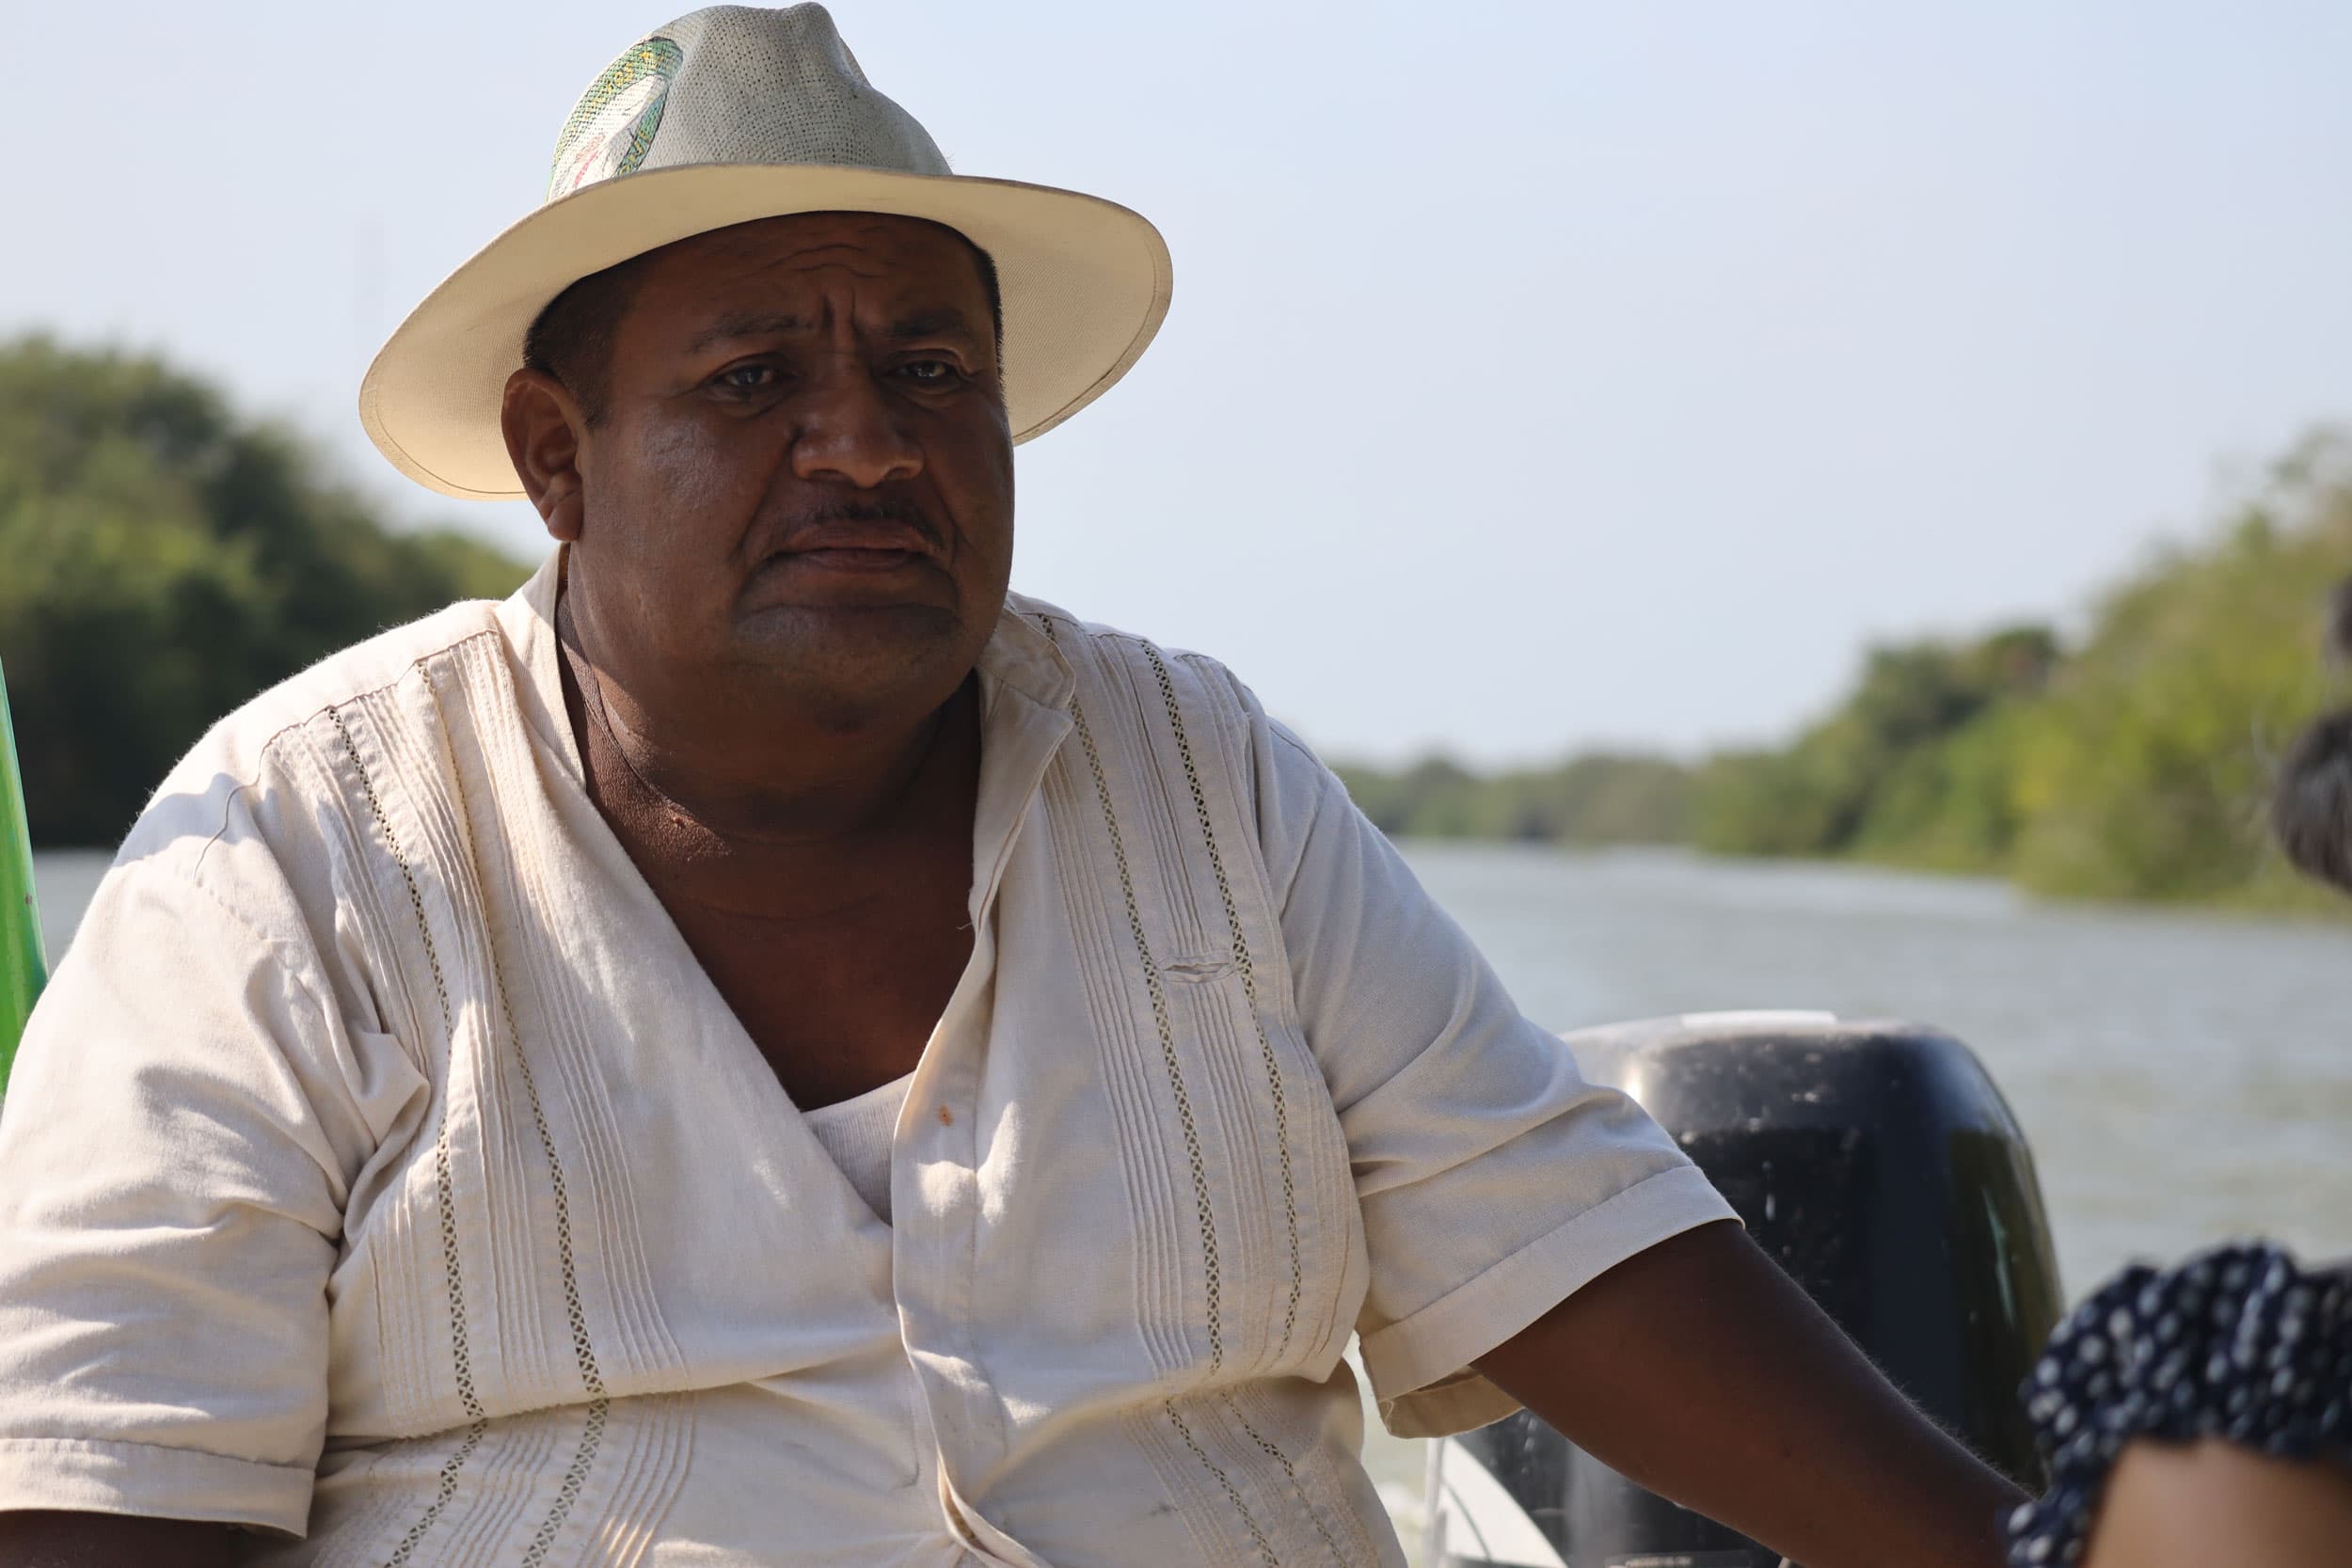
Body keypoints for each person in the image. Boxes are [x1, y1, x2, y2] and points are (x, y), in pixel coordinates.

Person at [0, 8, 2025, 1565]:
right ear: (556, 454)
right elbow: (99, 1488)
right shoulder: (295, 850)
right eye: (751, 381)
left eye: (930, 372)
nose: (867, 446)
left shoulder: (1200, 777)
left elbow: (1569, 1247)